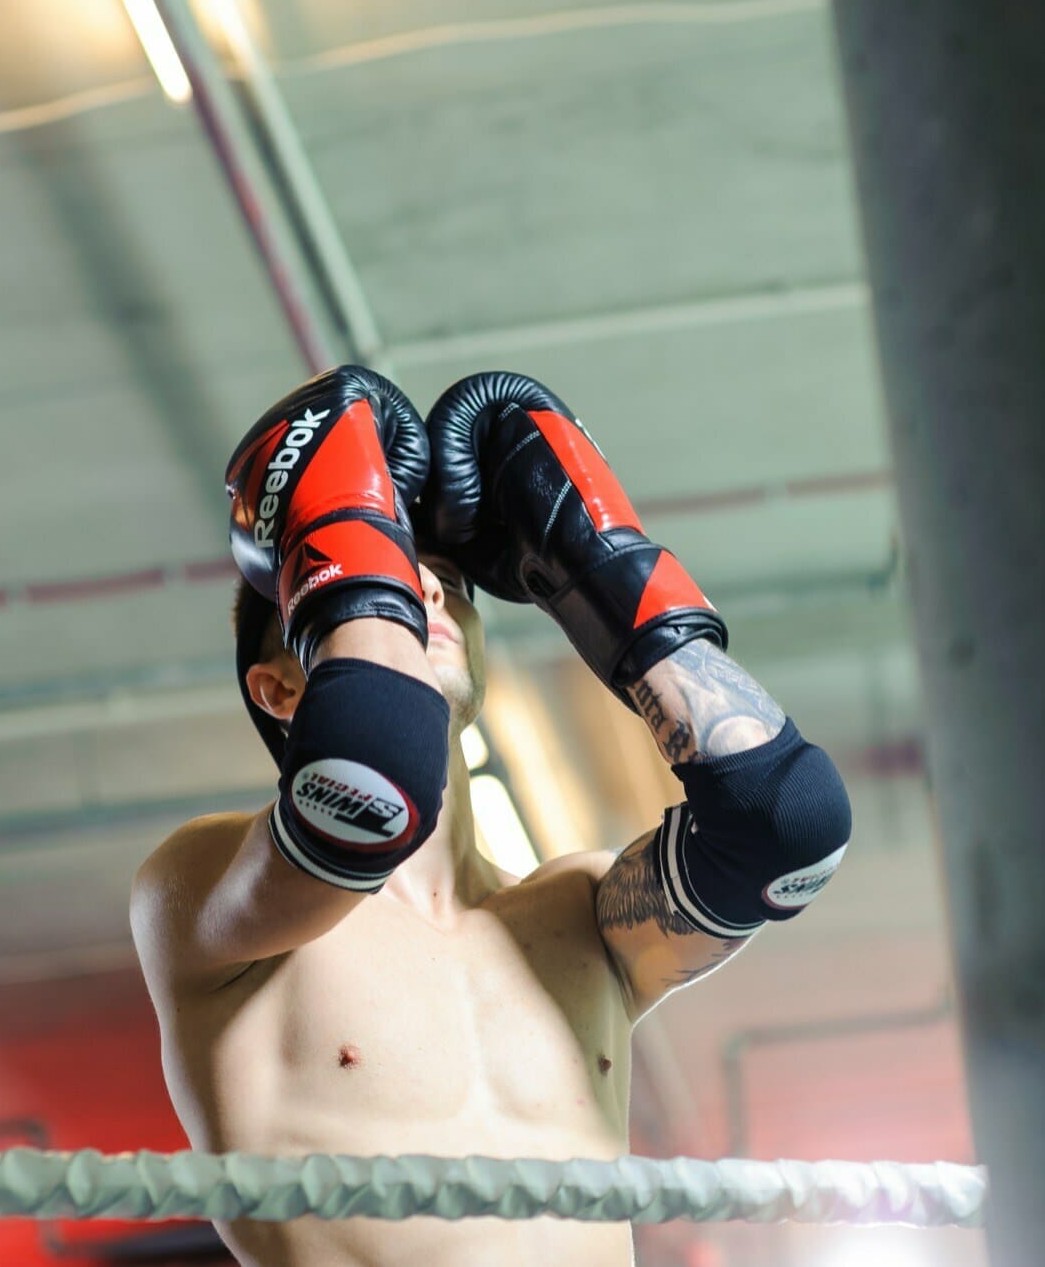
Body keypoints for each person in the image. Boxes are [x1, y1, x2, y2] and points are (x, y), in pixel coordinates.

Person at [129, 366, 853, 1266]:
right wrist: (346, 547)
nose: (425, 594)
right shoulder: (205, 896)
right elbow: (371, 779)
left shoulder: (584, 914)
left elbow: (785, 825)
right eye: (385, 586)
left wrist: (605, 576)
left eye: (442, 584)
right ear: (279, 686)